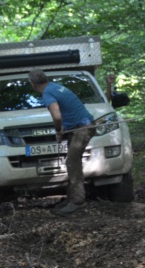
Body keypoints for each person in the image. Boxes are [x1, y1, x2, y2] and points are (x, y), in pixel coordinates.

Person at [28, 69, 95, 216]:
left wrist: (58, 130)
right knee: (72, 161)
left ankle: (78, 202)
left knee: (72, 161)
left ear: (32, 84)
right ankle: (72, 197)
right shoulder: (55, 87)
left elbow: (57, 117)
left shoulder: (47, 94)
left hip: (83, 127)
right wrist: (65, 129)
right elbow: (68, 111)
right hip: (79, 126)